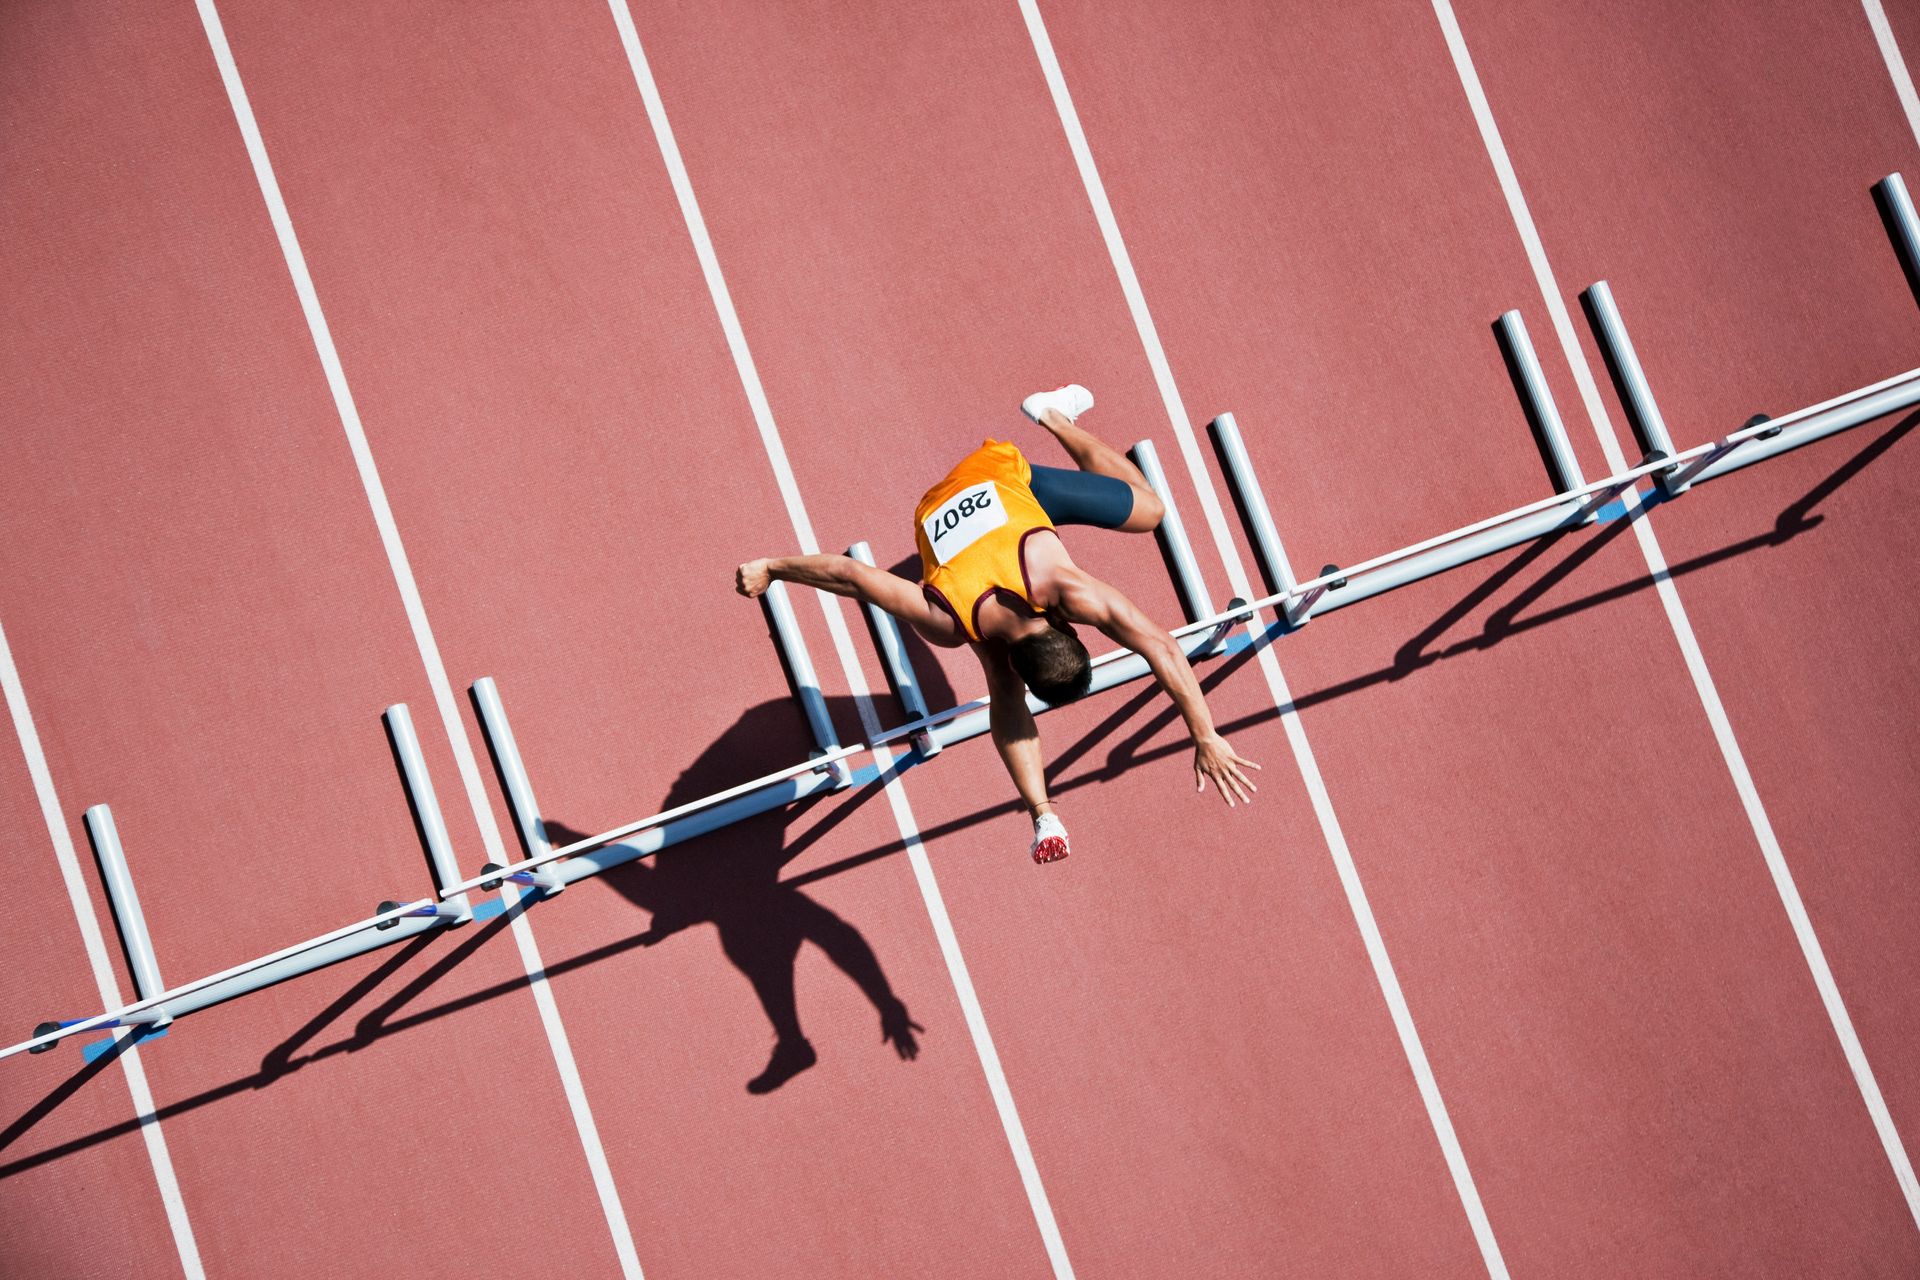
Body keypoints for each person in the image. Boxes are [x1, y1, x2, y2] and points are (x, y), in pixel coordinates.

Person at [735, 385, 1257, 864]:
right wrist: (770, 570)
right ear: (1066, 623)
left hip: (996, 486)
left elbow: (1161, 646)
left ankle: (1054, 417)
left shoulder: (1067, 591)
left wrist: (1207, 734)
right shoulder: (949, 622)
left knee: (1151, 512)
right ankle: (1052, 416)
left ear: (1068, 627)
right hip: (956, 499)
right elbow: (852, 576)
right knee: (1145, 513)